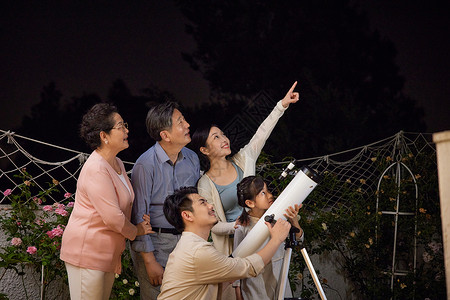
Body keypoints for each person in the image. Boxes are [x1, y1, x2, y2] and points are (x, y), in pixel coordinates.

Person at [190, 81, 300, 257]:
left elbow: (262, 133)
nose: (224, 139)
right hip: (237, 246)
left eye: (223, 134)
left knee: (275, 281)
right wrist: (236, 226)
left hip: (264, 233)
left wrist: (282, 105)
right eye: (216, 137)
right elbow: (213, 224)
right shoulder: (205, 183)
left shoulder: (244, 158)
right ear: (204, 150)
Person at [60, 103, 153, 300]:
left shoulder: (116, 162)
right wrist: (137, 230)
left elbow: (125, 203)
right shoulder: (96, 168)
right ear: (104, 136)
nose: (127, 130)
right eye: (121, 127)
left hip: (107, 255)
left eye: (125, 125)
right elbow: (113, 218)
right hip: (87, 253)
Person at [158, 186, 292, 300]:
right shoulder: (197, 251)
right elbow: (248, 267)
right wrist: (276, 239)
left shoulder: (191, 245)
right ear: (187, 215)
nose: (210, 206)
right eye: (203, 203)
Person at [130, 102, 200, 299]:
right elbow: (138, 214)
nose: (187, 125)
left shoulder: (192, 158)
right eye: (180, 122)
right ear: (165, 135)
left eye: (184, 119)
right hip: (157, 243)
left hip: (187, 241)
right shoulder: (145, 164)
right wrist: (149, 260)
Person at [233, 176, 304, 300]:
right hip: (256, 286)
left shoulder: (277, 218)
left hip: (279, 279)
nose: (270, 195)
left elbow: (299, 241)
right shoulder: (242, 227)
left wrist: (293, 220)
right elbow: (237, 263)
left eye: (268, 190)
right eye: (263, 193)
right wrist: (238, 293)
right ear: (250, 203)